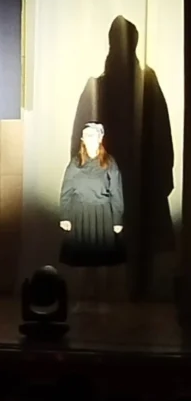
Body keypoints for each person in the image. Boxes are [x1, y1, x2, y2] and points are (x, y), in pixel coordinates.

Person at [59, 121, 125, 313]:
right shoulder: (76, 163)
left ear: (100, 138)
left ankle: (102, 301)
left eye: (93, 135)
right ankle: (82, 300)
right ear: (82, 139)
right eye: (86, 136)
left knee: (102, 261)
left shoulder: (109, 163)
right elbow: (66, 190)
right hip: (81, 215)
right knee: (82, 261)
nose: (89, 139)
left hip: (103, 215)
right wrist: (65, 216)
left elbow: (116, 192)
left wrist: (117, 220)